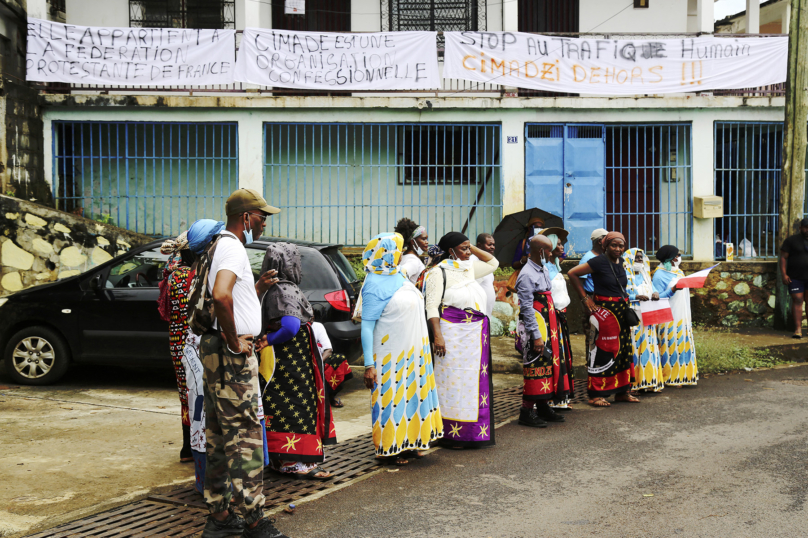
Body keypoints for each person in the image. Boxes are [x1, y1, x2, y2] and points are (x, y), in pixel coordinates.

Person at [201, 188, 288, 538]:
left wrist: (258, 292)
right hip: (232, 356)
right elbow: (221, 295)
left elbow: (231, 299)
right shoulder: (233, 248)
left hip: (216, 352)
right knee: (246, 436)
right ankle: (254, 520)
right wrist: (236, 341)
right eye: (262, 216)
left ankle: (220, 517)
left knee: (220, 436)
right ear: (246, 217)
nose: (264, 223)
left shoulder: (217, 246)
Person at [356, 232, 443, 464]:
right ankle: (390, 448)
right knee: (392, 401)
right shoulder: (374, 283)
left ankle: (411, 443)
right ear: (388, 251)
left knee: (412, 398)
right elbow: (366, 327)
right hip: (389, 357)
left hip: (414, 354)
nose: (401, 253)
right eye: (398, 249)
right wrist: (368, 365)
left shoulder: (399, 275)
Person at [254, 243, 336, 480]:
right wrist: (270, 338)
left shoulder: (274, 289)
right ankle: (294, 461)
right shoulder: (285, 290)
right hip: (290, 360)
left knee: (278, 404)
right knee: (296, 404)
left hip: (285, 359)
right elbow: (290, 326)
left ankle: (281, 459)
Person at [425, 232, 498, 448]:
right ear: (450, 251)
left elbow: (493, 262)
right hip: (451, 334)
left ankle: (471, 433)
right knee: (451, 382)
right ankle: (449, 433)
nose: (469, 252)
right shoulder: (437, 273)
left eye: (469, 248)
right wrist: (438, 336)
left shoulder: (468, 267)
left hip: (474, 336)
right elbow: (431, 306)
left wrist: (468, 248)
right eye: (464, 248)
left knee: (471, 383)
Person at [567, 232, 638, 408]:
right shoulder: (598, 261)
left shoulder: (621, 262)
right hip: (604, 312)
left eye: (621, 246)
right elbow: (572, 273)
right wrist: (585, 298)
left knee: (622, 350)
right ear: (605, 245)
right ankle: (596, 394)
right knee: (602, 351)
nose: (618, 249)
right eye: (614, 245)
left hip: (620, 312)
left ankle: (622, 391)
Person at [514, 235, 570, 427]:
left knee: (547, 364)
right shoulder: (527, 274)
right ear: (541, 251)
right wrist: (536, 336)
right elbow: (527, 309)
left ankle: (544, 405)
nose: (551, 252)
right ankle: (526, 411)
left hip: (549, 326)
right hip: (536, 328)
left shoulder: (544, 268)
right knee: (535, 366)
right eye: (548, 250)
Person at [160, 231, 195, 463]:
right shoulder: (190, 276)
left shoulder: (172, 274)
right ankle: (196, 446)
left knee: (186, 394)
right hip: (192, 344)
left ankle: (187, 448)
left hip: (177, 342)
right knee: (199, 393)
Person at [653, 245, 698, 386]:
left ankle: (684, 376)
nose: (679, 258)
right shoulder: (659, 275)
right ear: (670, 259)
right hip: (668, 317)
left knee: (682, 344)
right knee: (670, 345)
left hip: (682, 315)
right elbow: (656, 296)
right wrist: (672, 289)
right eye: (677, 255)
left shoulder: (678, 272)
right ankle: (670, 377)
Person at [542, 229, 575, 410]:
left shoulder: (555, 265)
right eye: (559, 243)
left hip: (561, 315)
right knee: (553, 356)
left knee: (562, 355)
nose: (562, 247)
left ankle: (561, 398)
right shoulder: (543, 267)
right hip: (550, 317)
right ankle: (550, 398)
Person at [623, 248, 663, 393]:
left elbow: (653, 290)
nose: (639, 260)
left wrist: (656, 293)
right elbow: (622, 295)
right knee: (634, 348)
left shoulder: (646, 276)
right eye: (636, 258)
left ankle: (648, 381)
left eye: (641, 258)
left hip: (648, 317)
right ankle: (633, 384)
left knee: (648, 348)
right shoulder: (624, 275)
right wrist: (635, 297)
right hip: (633, 319)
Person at [578, 229, 608, 354]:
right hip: (591, 298)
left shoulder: (603, 257)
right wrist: (585, 300)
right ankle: (590, 363)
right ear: (601, 241)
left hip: (603, 298)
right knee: (592, 332)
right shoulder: (588, 259)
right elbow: (579, 281)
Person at [312, 321, 353, 409]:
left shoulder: (317, 326)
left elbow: (328, 350)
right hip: (303, 363)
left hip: (318, 362)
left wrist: (317, 364)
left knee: (339, 359)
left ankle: (329, 397)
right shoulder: (295, 326)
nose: (311, 316)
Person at [779, 218, 808, 338]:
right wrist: (784, 274)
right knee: (797, 300)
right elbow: (783, 258)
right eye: (806, 227)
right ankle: (798, 329)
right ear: (801, 228)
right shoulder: (791, 241)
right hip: (795, 277)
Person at [395, 218, 429, 286]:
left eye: (426, 239)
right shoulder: (413, 260)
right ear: (413, 241)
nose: (427, 242)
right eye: (423, 239)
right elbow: (400, 275)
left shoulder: (406, 256)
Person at [472, 233, 497, 317]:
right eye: (489, 245)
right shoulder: (473, 261)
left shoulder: (488, 262)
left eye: (493, 245)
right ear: (479, 246)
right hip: (476, 313)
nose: (493, 247)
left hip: (486, 314)